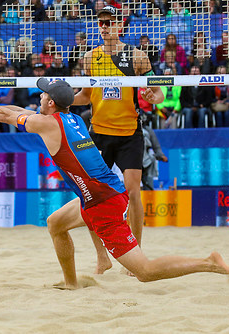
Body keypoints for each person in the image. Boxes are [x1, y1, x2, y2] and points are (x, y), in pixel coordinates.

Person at [0, 77, 229, 289]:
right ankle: (71, 283)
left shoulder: (48, 123)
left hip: (103, 202)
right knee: (56, 224)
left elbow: (9, 114)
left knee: (144, 271)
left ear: (51, 103)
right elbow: (17, 113)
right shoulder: (72, 119)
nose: (39, 96)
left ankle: (209, 262)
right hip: (97, 195)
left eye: (43, 95)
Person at [46, 6, 165, 277]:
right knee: (92, 197)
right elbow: (86, 96)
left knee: (133, 192)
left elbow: (158, 94)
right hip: (99, 133)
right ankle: (102, 257)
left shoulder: (136, 57)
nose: (104, 27)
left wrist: (151, 96)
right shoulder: (90, 58)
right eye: (101, 23)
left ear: (119, 25)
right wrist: (58, 99)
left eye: (109, 22)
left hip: (129, 133)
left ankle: (137, 251)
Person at [141, 123, 168, 190]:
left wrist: (160, 155)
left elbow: (156, 146)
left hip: (146, 162)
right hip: (131, 163)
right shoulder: (127, 129)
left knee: (148, 188)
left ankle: (149, 199)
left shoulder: (147, 130)